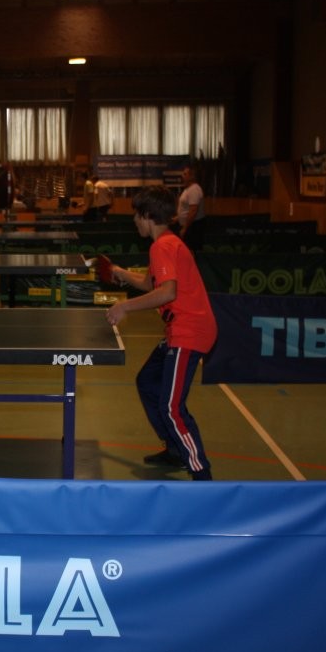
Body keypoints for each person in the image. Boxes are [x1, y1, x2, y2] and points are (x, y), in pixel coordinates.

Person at [103, 185, 218, 481]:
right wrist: (121, 272)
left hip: (189, 331)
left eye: (136, 215)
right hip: (179, 329)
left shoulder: (163, 246)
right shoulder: (167, 242)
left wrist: (125, 307)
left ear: (148, 215)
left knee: (171, 407)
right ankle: (175, 449)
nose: (134, 221)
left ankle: (201, 473)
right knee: (147, 381)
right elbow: (149, 283)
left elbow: (167, 292)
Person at [176, 165, 206, 250]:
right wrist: (177, 218)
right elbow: (186, 209)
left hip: (192, 227)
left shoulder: (194, 190)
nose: (182, 176)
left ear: (191, 176)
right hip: (189, 226)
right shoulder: (188, 189)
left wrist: (185, 228)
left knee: (190, 250)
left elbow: (193, 211)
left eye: (185, 174)